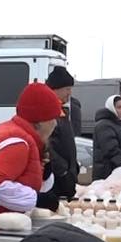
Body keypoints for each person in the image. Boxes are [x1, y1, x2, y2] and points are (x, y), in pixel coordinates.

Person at [0, 82, 63, 221]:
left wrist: (44, 174)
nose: (55, 123)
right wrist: (38, 199)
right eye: (53, 118)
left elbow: (23, 179)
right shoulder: (18, 143)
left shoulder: (17, 134)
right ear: (40, 121)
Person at [43, 66, 80, 204]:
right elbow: (48, 145)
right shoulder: (47, 111)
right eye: (67, 89)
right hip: (56, 179)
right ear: (56, 89)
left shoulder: (62, 110)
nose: (70, 93)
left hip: (66, 176)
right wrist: (63, 171)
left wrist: (73, 167)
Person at [90, 95, 121, 181]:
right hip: (108, 175)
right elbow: (111, 150)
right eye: (119, 107)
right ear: (111, 108)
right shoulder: (104, 125)